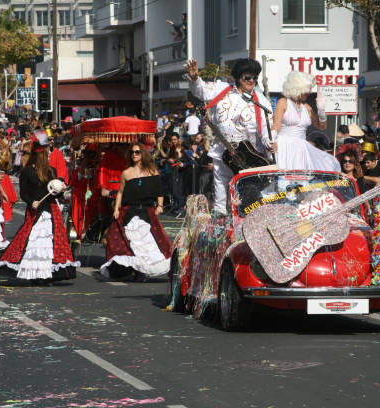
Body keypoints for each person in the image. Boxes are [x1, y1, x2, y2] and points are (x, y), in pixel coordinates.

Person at [186, 58, 272, 214]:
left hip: (248, 155)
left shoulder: (261, 100)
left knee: (246, 195)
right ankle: (221, 221)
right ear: (238, 78)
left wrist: (269, 142)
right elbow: (201, 90)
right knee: (220, 190)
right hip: (222, 150)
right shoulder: (222, 89)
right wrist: (195, 78)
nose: (251, 81)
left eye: (254, 78)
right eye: (247, 77)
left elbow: (267, 127)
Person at [0, 131, 78, 283]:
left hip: (50, 211)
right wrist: (31, 202)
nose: (48, 157)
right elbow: (24, 194)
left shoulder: (52, 171)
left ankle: (47, 273)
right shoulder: (27, 172)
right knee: (32, 242)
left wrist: (61, 190)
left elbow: (54, 194)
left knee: (50, 243)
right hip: (35, 211)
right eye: (45, 154)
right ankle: (34, 273)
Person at [98, 143, 172, 281]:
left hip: (147, 211)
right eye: (132, 152)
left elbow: (159, 191)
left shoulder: (152, 171)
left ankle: (151, 269)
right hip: (129, 211)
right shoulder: (126, 173)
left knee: (153, 243)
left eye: (137, 152)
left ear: (142, 153)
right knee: (129, 242)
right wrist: (116, 209)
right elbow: (120, 193)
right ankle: (137, 271)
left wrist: (160, 206)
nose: (134, 155)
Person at [270, 71, 338, 172]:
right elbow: (276, 125)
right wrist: (271, 140)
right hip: (284, 147)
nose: (310, 92)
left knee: (303, 178)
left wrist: (322, 111)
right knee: (284, 178)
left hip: (301, 148)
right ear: (298, 88)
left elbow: (322, 126)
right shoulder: (283, 102)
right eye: (308, 89)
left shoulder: (307, 107)